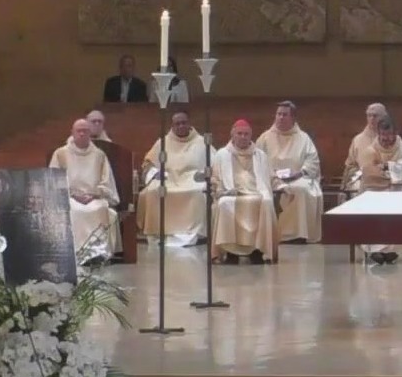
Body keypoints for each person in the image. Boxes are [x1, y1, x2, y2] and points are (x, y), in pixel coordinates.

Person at [210, 119, 284, 264]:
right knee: (224, 203)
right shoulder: (221, 154)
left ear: (251, 136)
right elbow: (215, 178)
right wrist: (217, 190)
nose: (243, 137)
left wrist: (281, 186)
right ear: (232, 135)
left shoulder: (260, 155)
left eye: (246, 134)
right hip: (231, 192)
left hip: (257, 192)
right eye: (239, 134)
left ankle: (258, 251)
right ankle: (231, 252)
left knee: (266, 202)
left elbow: (271, 176)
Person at [136, 111, 213, 247]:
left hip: (192, 179)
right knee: (152, 192)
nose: (181, 126)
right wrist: (155, 173)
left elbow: (215, 162)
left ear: (189, 124)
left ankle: (194, 232)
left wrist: (204, 174)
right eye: (177, 124)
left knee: (200, 192)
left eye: (184, 123)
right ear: (172, 126)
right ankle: (158, 232)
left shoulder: (201, 141)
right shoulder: (163, 142)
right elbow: (148, 164)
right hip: (168, 178)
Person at [353, 115, 402, 265]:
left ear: (396, 133)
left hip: (400, 189)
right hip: (376, 189)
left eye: (389, 135)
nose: (385, 138)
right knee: (370, 205)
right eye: (382, 135)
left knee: (401, 207)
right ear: (378, 133)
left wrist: (388, 167)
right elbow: (368, 171)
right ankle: (375, 249)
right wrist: (385, 174)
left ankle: (391, 250)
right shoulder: (371, 150)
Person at [49, 119, 121, 255]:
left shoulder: (99, 155)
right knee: (74, 210)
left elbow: (106, 181)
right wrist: (72, 194)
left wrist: (94, 194)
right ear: (72, 132)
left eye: (85, 131)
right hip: (69, 197)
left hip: (94, 197)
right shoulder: (60, 153)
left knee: (100, 208)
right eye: (79, 131)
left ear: (90, 133)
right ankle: (75, 253)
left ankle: (98, 252)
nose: (82, 134)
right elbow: (53, 180)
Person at [256, 101, 324, 243]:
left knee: (301, 189)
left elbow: (312, 161)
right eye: (278, 114)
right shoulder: (265, 137)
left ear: (293, 117)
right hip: (271, 178)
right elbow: (257, 159)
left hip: (297, 177)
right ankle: (271, 233)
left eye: (285, 114)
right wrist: (271, 174)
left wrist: (299, 173)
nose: (281, 117)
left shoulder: (303, 138)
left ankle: (298, 234)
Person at [341, 102, 387, 192]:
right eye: (369, 115)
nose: (372, 119)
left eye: (375, 116)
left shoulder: (391, 138)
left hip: (386, 181)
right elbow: (350, 166)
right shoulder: (357, 140)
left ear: (384, 117)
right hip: (362, 182)